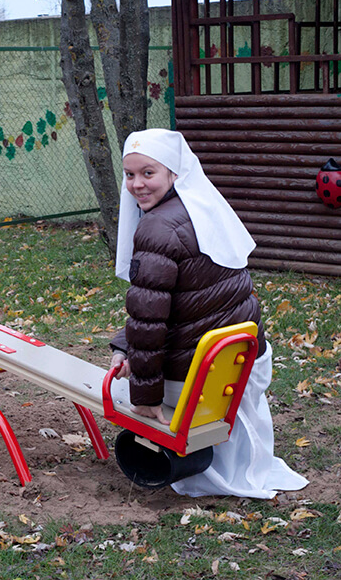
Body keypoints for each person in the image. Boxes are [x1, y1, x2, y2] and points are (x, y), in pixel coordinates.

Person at [108, 128, 307, 499]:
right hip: (243, 355)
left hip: (198, 372)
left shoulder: (157, 227)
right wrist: (125, 345)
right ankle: (244, 465)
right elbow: (170, 305)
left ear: (173, 173)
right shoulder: (202, 208)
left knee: (120, 385)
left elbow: (151, 321)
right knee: (131, 359)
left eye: (148, 173)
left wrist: (146, 399)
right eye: (130, 174)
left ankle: (196, 466)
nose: (137, 184)